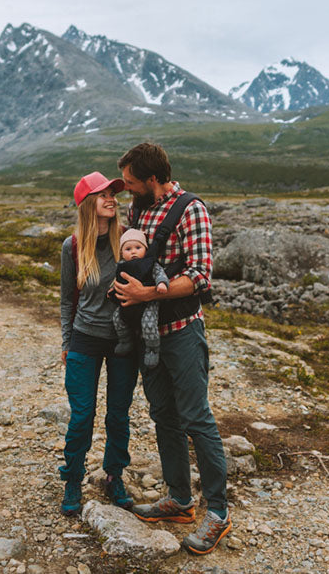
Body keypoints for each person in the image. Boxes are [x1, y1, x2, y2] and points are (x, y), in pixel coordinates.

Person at [112, 142, 231, 555]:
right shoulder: (139, 210)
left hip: (182, 329)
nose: (126, 190)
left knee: (196, 417)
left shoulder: (191, 209)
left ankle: (217, 512)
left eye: (130, 183)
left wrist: (147, 293)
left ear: (151, 179)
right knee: (163, 414)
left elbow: (200, 276)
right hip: (149, 335)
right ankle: (180, 500)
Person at [58, 171, 138, 516]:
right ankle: (73, 478)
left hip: (123, 341)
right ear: (87, 204)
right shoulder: (73, 246)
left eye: (113, 193)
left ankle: (113, 475)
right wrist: (66, 341)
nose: (112, 198)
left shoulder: (127, 240)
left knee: (118, 415)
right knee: (82, 416)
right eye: (104, 194)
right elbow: (65, 300)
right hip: (84, 338)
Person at [109, 228, 169, 368]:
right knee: (117, 318)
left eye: (138, 247)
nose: (133, 251)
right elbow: (117, 280)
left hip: (149, 302)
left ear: (145, 249)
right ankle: (125, 340)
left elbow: (159, 273)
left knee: (149, 323)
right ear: (122, 253)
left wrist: (161, 284)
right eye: (128, 249)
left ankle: (152, 349)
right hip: (128, 302)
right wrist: (112, 290)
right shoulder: (121, 265)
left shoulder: (149, 263)